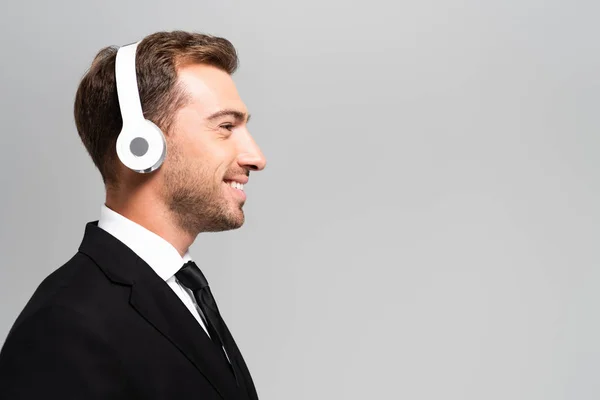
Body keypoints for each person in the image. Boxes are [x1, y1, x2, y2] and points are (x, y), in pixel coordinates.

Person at [0, 30, 266, 399]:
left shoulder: (183, 289)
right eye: (225, 127)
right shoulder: (65, 324)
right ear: (140, 145)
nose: (256, 157)